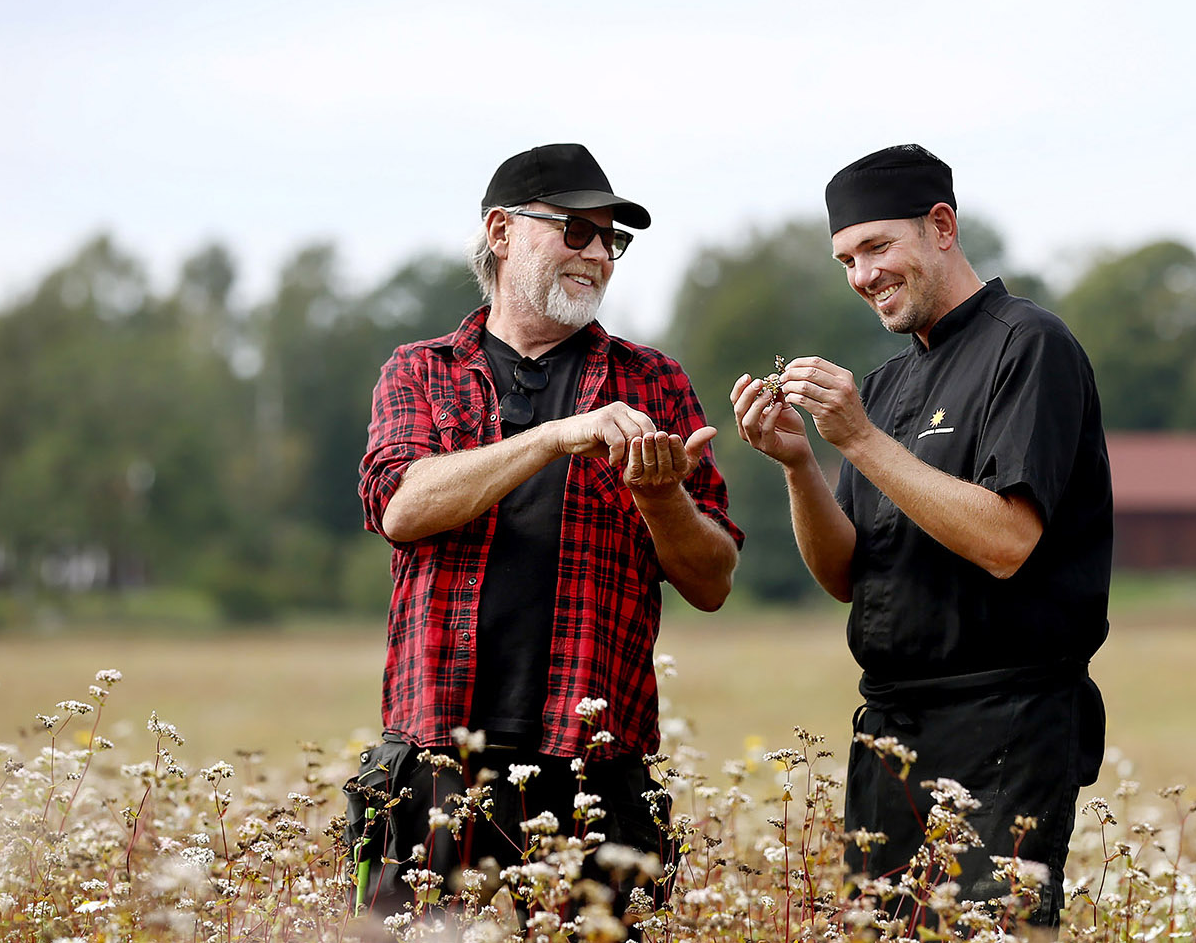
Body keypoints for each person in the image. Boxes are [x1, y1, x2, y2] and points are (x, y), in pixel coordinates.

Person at [351, 143, 742, 919]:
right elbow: (403, 506)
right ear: (501, 232)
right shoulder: (419, 371)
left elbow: (712, 581)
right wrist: (558, 435)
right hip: (439, 756)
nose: (597, 254)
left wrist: (661, 499)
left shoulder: (653, 380)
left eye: (611, 240)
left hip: (595, 763)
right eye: (575, 230)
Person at [729, 144, 1110, 930]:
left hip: (1010, 724)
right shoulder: (888, 385)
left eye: (876, 247)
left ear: (941, 226)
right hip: (891, 731)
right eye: (845, 258)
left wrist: (861, 440)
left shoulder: (1029, 347)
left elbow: (1008, 540)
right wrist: (801, 461)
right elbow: (846, 575)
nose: (861, 275)